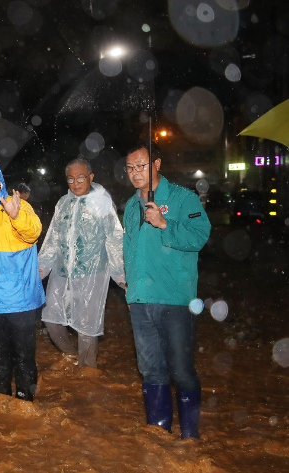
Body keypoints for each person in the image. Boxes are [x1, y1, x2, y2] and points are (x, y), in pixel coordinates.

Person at [123, 141, 210, 439]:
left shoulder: (183, 199)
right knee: (151, 371)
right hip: (140, 300)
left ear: (157, 165)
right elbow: (130, 249)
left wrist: (164, 224)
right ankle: (158, 439)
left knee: (182, 371)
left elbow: (200, 236)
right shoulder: (131, 206)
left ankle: (190, 440)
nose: (136, 173)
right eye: (131, 167)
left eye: (142, 166)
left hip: (175, 299)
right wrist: (129, 286)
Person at [38, 158, 125, 369]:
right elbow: (53, 238)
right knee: (51, 318)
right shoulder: (63, 203)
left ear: (91, 177)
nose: (76, 183)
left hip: (92, 273)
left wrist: (120, 272)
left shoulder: (101, 202)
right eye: (71, 179)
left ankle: (87, 373)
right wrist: (42, 266)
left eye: (80, 178)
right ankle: (70, 355)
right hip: (62, 271)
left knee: (87, 326)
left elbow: (114, 237)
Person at [0, 159, 45, 401]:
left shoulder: (17, 207)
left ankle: (25, 405)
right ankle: (0, 406)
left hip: (18, 302)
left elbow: (33, 231)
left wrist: (16, 216)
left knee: (23, 358)